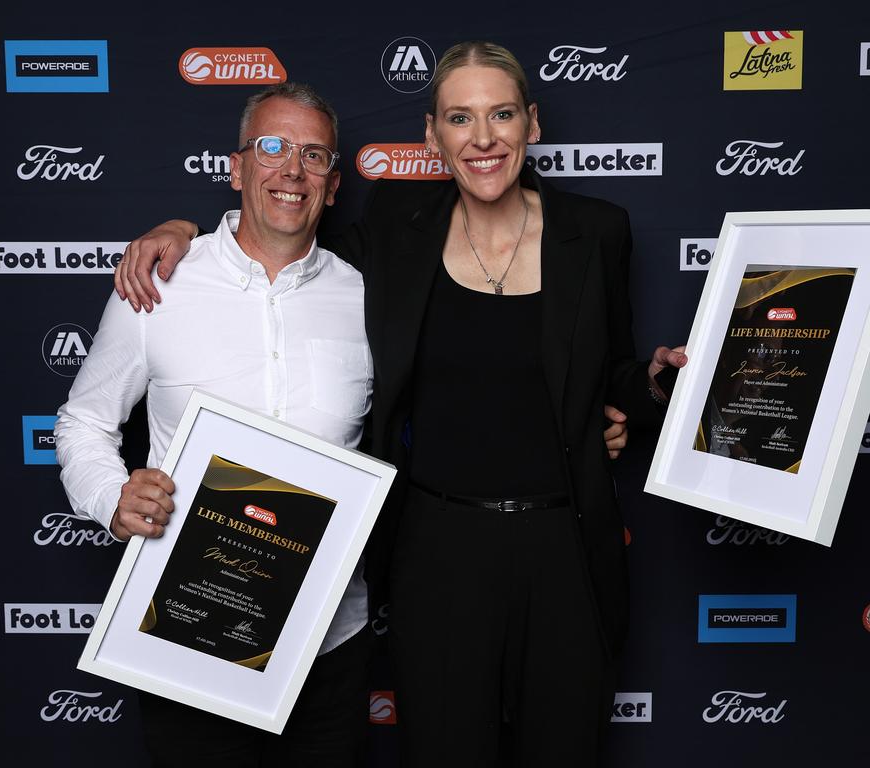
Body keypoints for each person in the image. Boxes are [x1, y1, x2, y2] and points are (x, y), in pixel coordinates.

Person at [114, 42, 685, 767]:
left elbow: (613, 375)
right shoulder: (396, 225)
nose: (483, 138)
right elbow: (280, 232)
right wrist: (183, 233)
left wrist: (657, 384)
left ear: (532, 125)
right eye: (460, 117)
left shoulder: (597, 230)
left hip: (566, 545)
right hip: (437, 549)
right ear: (432, 136)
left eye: (501, 114)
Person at [55, 82, 375, 767]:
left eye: (314, 156)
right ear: (235, 169)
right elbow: (83, 420)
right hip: (188, 633)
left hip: (330, 644)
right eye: (272, 147)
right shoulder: (161, 282)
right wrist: (113, 498)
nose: (292, 170)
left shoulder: (366, 296)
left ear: (334, 182)